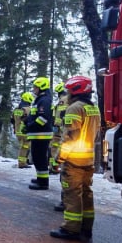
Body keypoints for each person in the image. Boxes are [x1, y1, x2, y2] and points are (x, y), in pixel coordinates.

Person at [50, 76, 101, 240]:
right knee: (87, 193)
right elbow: (96, 134)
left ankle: (71, 229)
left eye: (69, 91)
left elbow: (70, 136)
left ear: (75, 91)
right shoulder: (94, 109)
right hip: (89, 159)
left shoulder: (74, 109)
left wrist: (58, 158)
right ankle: (87, 227)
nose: (67, 94)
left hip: (74, 160)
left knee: (72, 194)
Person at [26, 77, 53, 190]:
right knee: (37, 158)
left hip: (42, 135)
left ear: (41, 87)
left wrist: (31, 126)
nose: (34, 89)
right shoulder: (40, 99)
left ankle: (43, 183)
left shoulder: (44, 100)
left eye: (35, 87)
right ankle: (40, 178)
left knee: (40, 158)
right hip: (38, 134)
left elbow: (43, 118)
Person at [50, 82, 68, 211]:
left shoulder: (63, 101)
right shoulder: (69, 101)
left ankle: (66, 201)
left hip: (63, 135)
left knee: (67, 171)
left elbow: (60, 118)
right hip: (61, 132)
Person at [11, 92, 34, 168]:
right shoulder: (28, 109)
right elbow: (31, 120)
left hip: (18, 132)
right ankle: (22, 163)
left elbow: (12, 120)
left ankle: (23, 161)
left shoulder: (16, 109)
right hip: (25, 132)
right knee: (25, 147)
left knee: (23, 147)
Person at [49, 82, 68, 175]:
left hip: (59, 129)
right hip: (64, 128)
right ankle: (55, 166)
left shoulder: (62, 101)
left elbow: (59, 115)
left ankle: (54, 166)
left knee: (55, 147)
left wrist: (56, 125)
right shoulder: (69, 100)